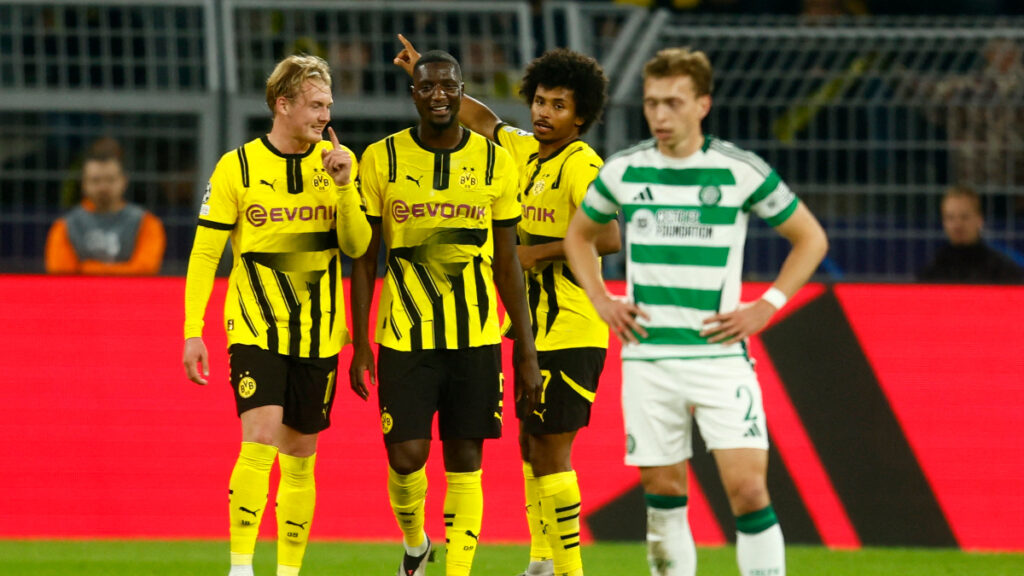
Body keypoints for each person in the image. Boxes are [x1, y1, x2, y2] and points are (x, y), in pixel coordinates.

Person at [564, 48, 829, 576]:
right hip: (648, 359)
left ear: (702, 104)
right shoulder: (625, 170)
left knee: (748, 490)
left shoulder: (737, 170)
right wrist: (601, 299)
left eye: (673, 103)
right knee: (662, 493)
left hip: (719, 357)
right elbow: (579, 235)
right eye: (651, 103)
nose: (660, 116)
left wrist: (767, 306)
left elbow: (810, 238)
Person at [391, 37, 621, 576]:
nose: (545, 113)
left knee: (550, 450)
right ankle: (541, 561)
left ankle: (569, 570)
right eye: (540, 101)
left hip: (572, 324)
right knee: (529, 443)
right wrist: (427, 70)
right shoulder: (519, 150)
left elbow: (608, 237)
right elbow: (483, 117)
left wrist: (527, 254)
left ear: (580, 116)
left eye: (559, 105)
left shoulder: (583, 163)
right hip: (530, 328)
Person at [348, 49, 541, 576]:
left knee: (466, 462)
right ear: (413, 94)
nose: (439, 95)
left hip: (475, 337)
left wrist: (525, 348)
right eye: (427, 86)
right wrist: (360, 341)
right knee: (406, 457)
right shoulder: (379, 159)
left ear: (462, 91)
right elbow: (366, 259)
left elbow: (507, 262)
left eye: (449, 86)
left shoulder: (495, 161)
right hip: (404, 336)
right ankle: (415, 544)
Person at [181, 54, 370, 576]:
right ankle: (241, 568)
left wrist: (346, 186)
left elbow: (357, 246)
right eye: (314, 105)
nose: (324, 116)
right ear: (283, 105)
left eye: (328, 105)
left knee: (301, 456)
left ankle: (288, 572)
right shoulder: (236, 167)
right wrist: (192, 330)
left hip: (320, 334)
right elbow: (203, 255)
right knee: (259, 436)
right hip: (255, 327)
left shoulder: (336, 165)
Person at [45, 138, 166, 275]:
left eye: (110, 179)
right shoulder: (65, 226)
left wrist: (87, 268)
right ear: (83, 184)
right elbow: (60, 272)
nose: (103, 187)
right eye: (95, 180)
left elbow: (145, 269)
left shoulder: (146, 223)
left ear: (123, 181)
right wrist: (123, 269)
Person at [917, 186, 1023, 283]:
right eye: (950, 218)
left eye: (964, 217)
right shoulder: (933, 271)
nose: (957, 225)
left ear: (980, 220)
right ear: (943, 222)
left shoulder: (1001, 270)